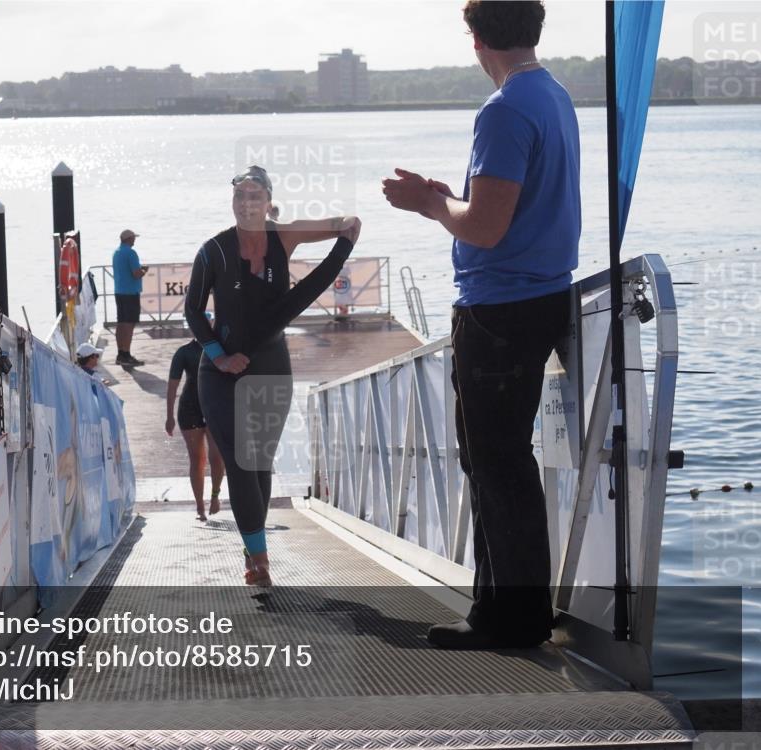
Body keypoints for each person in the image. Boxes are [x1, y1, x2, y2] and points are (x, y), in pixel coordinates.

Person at [382, 0, 579, 650]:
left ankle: (509, 618)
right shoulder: (552, 96)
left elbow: (487, 228)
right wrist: (451, 198)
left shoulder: (504, 111)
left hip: (499, 309)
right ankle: (508, 608)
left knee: (494, 460)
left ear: (476, 39)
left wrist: (432, 204)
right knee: (501, 459)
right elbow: (507, 210)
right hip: (540, 297)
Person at [185, 165, 361, 587]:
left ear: (268, 202)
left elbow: (342, 226)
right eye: (240, 196)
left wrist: (349, 226)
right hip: (220, 371)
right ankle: (259, 560)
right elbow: (193, 311)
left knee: (260, 462)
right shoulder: (213, 251)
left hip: (270, 365)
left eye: (255, 196)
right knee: (242, 462)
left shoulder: (285, 236)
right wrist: (220, 357)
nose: (247, 203)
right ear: (233, 202)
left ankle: (252, 542)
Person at [166, 330, 225, 521]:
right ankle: (199, 505)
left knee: (217, 456)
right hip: (190, 407)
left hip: (213, 406)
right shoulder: (184, 352)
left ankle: (215, 496)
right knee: (197, 459)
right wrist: (169, 416)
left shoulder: (219, 349)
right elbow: (172, 386)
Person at [112, 229, 148, 367]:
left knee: (121, 323)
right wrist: (144, 270)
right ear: (129, 239)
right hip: (130, 293)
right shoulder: (131, 253)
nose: (135, 240)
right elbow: (136, 274)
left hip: (119, 291)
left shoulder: (117, 252)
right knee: (129, 324)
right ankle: (126, 354)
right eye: (133, 238)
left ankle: (120, 353)